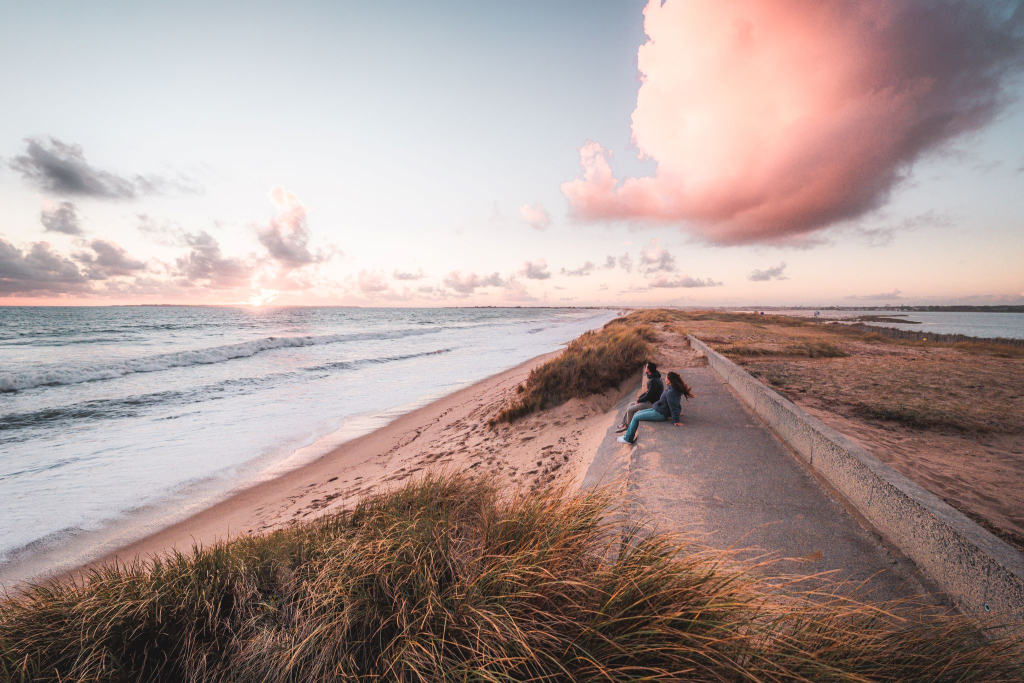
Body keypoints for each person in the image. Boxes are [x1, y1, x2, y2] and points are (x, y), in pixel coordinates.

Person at [617, 371, 694, 445]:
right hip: (657, 409)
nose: (665, 379)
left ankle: (628, 439)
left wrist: (676, 420)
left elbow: (673, 405)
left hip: (659, 414)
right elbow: (676, 402)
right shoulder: (673, 390)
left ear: (670, 381)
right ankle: (626, 436)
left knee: (636, 417)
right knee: (636, 414)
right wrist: (679, 411)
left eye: (666, 378)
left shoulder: (671, 392)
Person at [615, 361, 663, 433]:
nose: (645, 368)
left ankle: (629, 427)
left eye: (646, 367)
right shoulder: (653, 377)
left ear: (649, 370)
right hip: (649, 400)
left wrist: (639, 400)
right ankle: (624, 424)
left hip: (652, 403)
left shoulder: (654, 381)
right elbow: (648, 392)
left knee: (630, 409)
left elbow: (649, 394)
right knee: (630, 405)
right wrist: (640, 398)